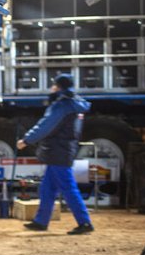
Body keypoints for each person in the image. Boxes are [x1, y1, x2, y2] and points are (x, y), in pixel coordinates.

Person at [16, 73, 94, 234]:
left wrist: (26, 140)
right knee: (47, 188)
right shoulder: (75, 103)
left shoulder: (62, 106)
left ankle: (85, 222)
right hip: (62, 149)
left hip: (59, 150)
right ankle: (41, 221)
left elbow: (46, 126)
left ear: (59, 87)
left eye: (54, 85)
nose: (51, 87)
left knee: (68, 188)